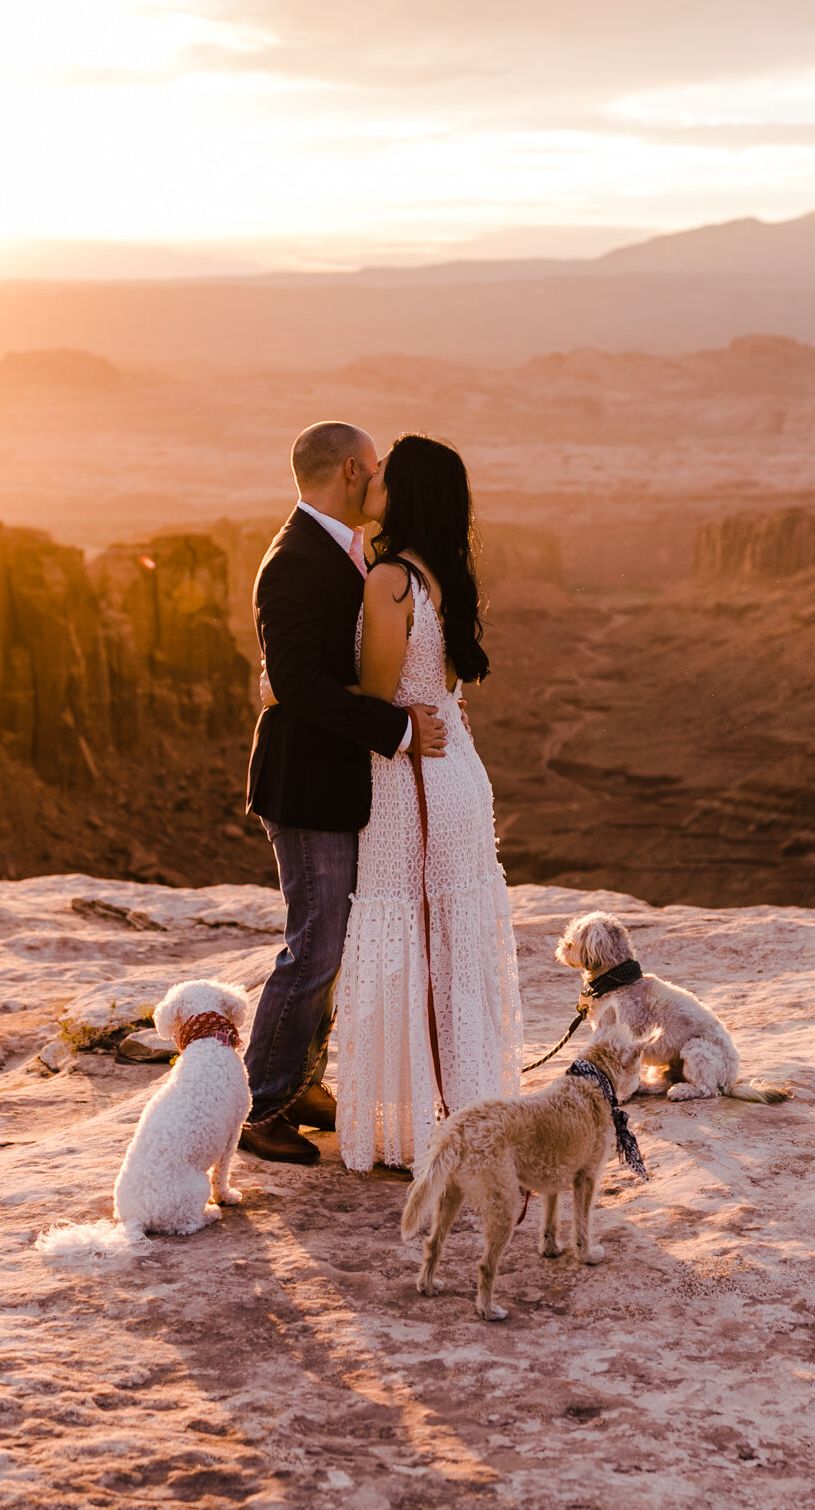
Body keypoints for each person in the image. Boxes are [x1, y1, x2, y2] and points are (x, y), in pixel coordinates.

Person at [238, 422, 448, 1166]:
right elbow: (294, 684)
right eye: (380, 467)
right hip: (306, 785)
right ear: (354, 470)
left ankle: (298, 1081)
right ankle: (261, 1105)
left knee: (332, 941)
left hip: (338, 782)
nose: (385, 479)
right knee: (315, 944)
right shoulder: (294, 559)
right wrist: (391, 726)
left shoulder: (344, 549)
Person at [330, 434, 523, 1177]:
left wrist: (287, 687)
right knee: (450, 940)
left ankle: (412, 1125)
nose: (371, 482)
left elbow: (378, 699)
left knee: (404, 937)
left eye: (384, 476)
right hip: (459, 775)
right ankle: (467, 1107)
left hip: (407, 779)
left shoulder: (390, 580)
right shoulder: (443, 573)